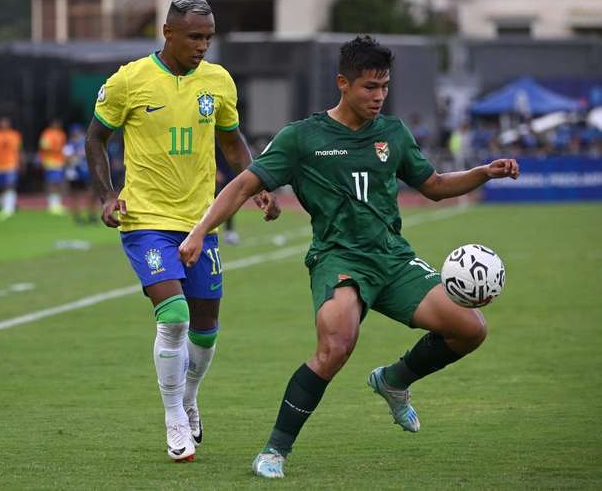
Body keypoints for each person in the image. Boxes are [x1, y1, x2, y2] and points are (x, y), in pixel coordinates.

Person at [179, 35, 520, 478]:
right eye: (369, 87)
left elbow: (433, 186)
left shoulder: (393, 133)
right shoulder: (302, 138)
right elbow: (244, 184)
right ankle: (274, 451)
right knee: (336, 346)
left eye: (384, 86)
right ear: (343, 83)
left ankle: (394, 380)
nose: (378, 96)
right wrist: (200, 231)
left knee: (471, 330)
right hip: (339, 258)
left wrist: (482, 173)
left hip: (393, 259)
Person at [85, 0, 280, 462]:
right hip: (145, 219)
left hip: (200, 223)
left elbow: (232, 143)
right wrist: (107, 195)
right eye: (194, 36)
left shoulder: (219, 82)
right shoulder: (129, 81)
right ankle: (174, 416)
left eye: (208, 37)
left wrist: (256, 184)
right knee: (173, 316)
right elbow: (96, 139)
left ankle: (190, 396)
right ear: (168, 32)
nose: (202, 46)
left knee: (207, 326)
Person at [0, 116, 23, 220]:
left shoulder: (15, 135)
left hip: (11, 164)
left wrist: (20, 162)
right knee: (1, 186)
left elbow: (19, 150)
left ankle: (9, 208)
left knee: (10, 185)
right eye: (2, 123)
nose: (4, 125)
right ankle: (1, 204)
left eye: (5, 122)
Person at [63, 124, 99, 225]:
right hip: (74, 174)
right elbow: (68, 159)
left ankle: (91, 215)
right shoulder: (69, 145)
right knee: (76, 195)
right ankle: (77, 217)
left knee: (91, 193)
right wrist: (78, 156)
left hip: (85, 172)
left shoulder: (84, 143)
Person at [38, 118, 68, 215]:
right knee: (52, 182)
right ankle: (51, 204)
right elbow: (43, 147)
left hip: (60, 162)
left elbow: (64, 148)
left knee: (58, 182)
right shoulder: (47, 134)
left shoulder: (61, 134)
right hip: (50, 162)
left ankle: (57, 203)